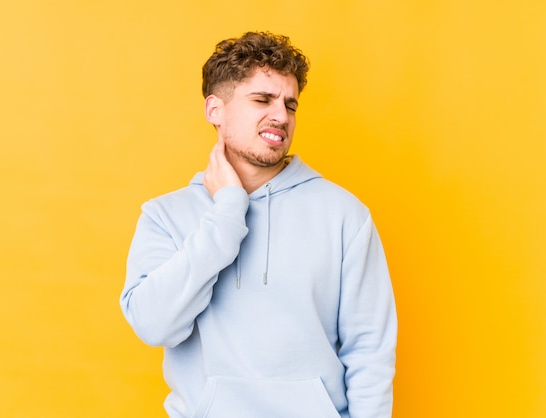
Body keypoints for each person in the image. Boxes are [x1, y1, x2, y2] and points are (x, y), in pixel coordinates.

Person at [120, 31, 397, 418]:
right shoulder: (166, 216)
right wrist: (227, 214)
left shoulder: (344, 215)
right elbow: (154, 326)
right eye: (262, 100)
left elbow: (370, 350)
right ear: (215, 110)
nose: (281, 116)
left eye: (290, 104)